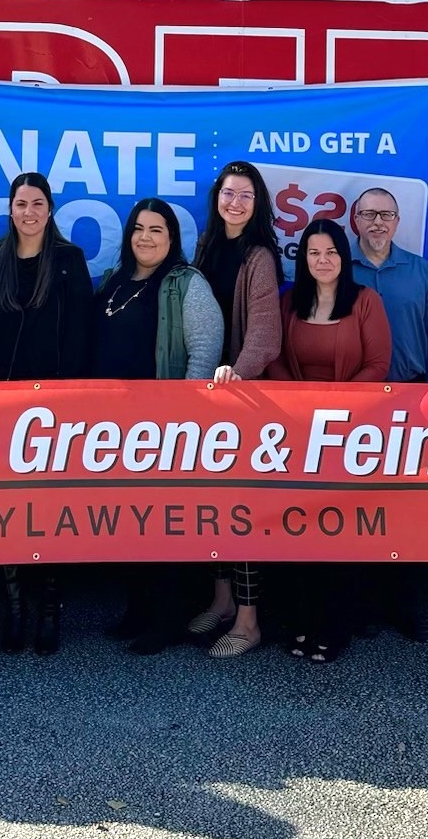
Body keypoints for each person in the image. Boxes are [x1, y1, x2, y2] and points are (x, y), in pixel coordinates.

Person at [92, 197, 224, 656]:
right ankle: (137, 609)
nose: (146, 238)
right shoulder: (112, 281)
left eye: (157, 230)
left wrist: (180, 416)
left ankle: (166, 618)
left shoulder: (185, 283)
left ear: (172, 239)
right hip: (113, 429)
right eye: (139, 229)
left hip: (164, 427)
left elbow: (205, 349)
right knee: (127, 522)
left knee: (163, 524)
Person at [263, 218, 392, 664]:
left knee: (339, 535)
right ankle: (300, 622)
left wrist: (337, 409)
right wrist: (300, 409)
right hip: (298, 434)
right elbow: (274, 359)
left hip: (348, 434)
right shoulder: (288, 303)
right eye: (314, 253)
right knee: (298, 533)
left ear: (344, 257)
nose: (323, 261)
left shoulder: (366, 301)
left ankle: (333, 627)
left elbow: (377, 363)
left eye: (331, 252)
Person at [0, 172, 94, 656]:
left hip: (56, 413)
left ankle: (49, 609)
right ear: (10, 209)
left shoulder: (69, 260)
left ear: (50, 209)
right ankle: (14, 607)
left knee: (49, 512)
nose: (29, 212)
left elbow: (84, 334)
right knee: (8, 511)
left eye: (38, 204)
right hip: (3, 410)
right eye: (21, 203)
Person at [188, 160, 283, 658]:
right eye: (229, 193)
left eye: (246, 195)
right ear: (217, 197)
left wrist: (237, 375)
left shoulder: (260, 255)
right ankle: (222, 600)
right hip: (208, 398)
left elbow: (266, 335)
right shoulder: (205, 248)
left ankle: (249, 622)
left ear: (258, 202)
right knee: (212, 506)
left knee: (242, 511)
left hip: (243, 399)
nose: (236, 203)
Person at [350, 186, 428, 642]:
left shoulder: (419, 271)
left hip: (411, 399)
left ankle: (403, 605)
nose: (377, 223)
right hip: (352, 405)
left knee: (406, 507)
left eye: (385, 215)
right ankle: (363, 605)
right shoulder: (334, 264)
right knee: (356, 510)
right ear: (354, 219)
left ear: (396, 221)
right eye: (368, 214)